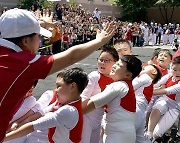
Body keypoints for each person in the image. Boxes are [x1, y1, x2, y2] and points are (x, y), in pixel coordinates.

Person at [0, 8, 115, 142]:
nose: (40, 42)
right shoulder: (25, 62)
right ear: (25, 41)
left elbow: (16, 33)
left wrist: (41, 25)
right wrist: (100, 41)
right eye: (39, 37)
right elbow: (71, 56)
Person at [4, 67, 89, 143]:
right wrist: (19, 122)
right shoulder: (66, 102)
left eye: (58, 86)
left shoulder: (68, 111)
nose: (55, 90)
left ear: (72, 87)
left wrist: (3, 138)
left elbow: (32, 126)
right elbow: (42, 112)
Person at [83, 55, 142, 143]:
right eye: (116, 63)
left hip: (118, 135)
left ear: (128, 74)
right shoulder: (123, 85)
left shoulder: (119, 86)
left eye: (119, 65)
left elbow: (91, 104)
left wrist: (72, 110)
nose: (114, 66)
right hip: (120, 133)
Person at [81, 46, 119, 143]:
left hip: (100, 119)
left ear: (115, 63)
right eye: (101, 59)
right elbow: (83, 97)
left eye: (107, 60)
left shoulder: (116, 79)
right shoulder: (94, 76)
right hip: (86, 117)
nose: (102, 63)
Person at [145, 56, 180, 142]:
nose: (177, 73)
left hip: (175, 107)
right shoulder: (169, 75)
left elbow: (166, 91)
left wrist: (145, 91)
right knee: (158, 108)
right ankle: (148, 132)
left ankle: (151, 137)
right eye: (174, 69)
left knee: (157, 133)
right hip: (165, 99)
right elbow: (156, 84)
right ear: (171, 67)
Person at [133, 64, 162, 143]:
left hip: (135, 109)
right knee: (140, 139)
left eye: (144, 69)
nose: (142, 70)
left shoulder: (146, 77)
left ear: (154, 71)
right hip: (141, 113)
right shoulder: (149, 83)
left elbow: (129, 86)